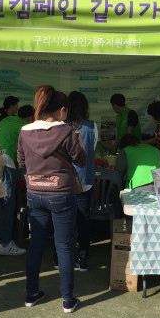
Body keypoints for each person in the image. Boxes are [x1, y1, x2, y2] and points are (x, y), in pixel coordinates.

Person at [17, 85, 87, 313]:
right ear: (62, 110)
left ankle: (31, 294)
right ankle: (68, 300)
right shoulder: (66, 131)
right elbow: (81, 160)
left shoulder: (24, 131)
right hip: (61, 194)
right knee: (64, 247)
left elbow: (21, 162)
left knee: (36, 245)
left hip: (34, 194)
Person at [0, 105, 34, 256]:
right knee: (7, 204)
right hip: (7, 165)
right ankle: (6, 244)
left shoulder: (6, 120)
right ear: (30, 118)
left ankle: (0, 241)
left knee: (0, 203)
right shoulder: (24, 127)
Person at [67, 91, 98, 272]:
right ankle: (83, 258)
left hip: (64, 179)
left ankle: (61, 257)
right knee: (83, 219)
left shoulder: (60, 126)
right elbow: (92, 148)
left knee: (64, 219)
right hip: (84, 178)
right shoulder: (91, 126)